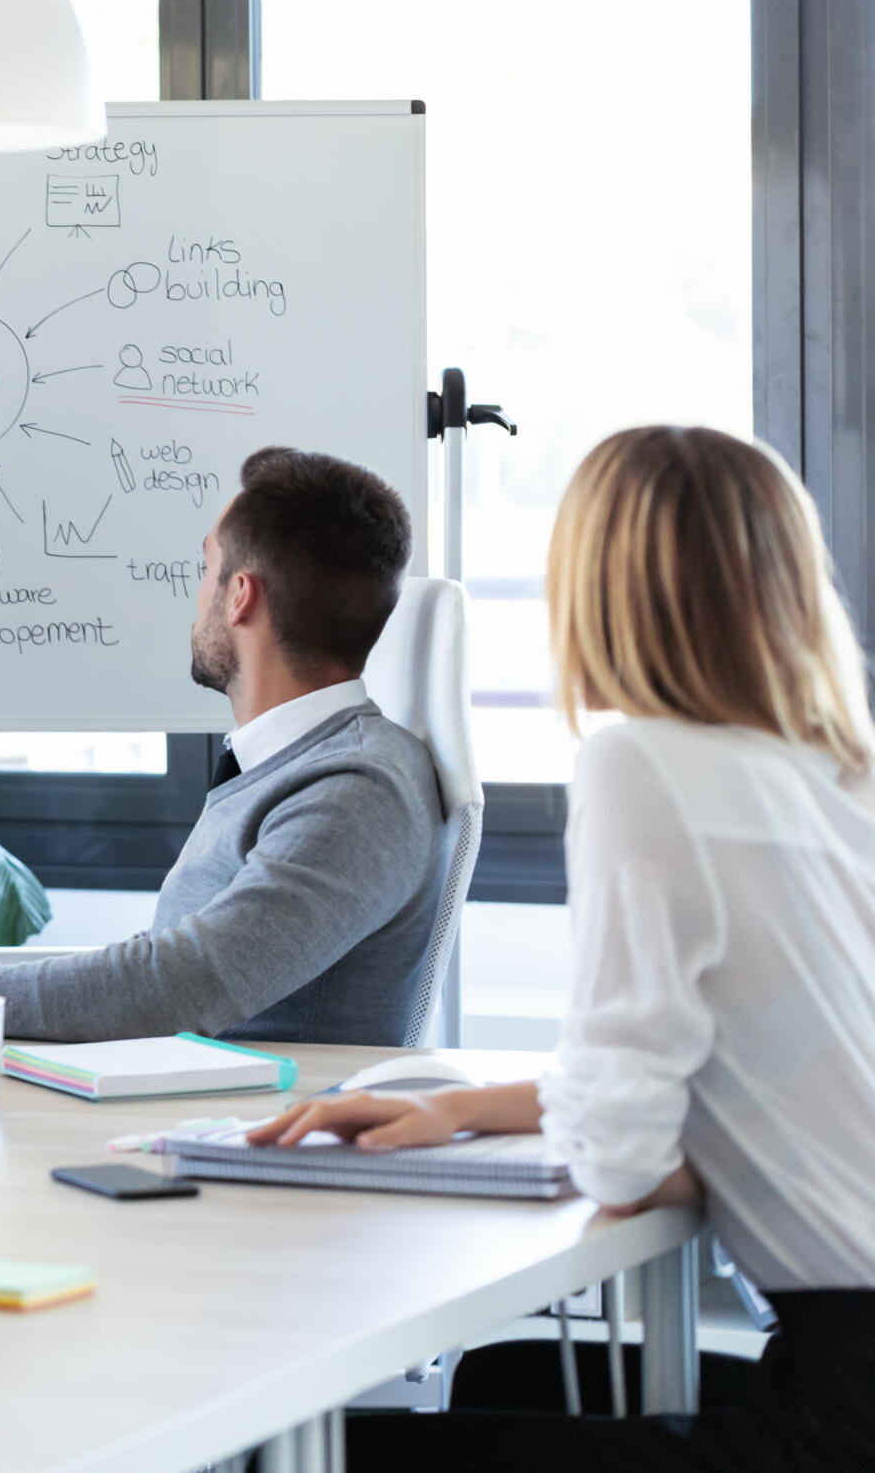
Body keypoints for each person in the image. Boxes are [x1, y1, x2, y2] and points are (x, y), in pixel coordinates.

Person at [254, 427, 875, 1470]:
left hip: (839, 1402)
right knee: (502, 1380)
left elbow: (621, 1156)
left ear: (598, 585)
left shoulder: (643, 764)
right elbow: (716, 1068)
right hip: (843, 1360)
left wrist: (621, 1137)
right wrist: (456, 1108)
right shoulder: (834, 775)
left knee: (340, 1454)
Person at [0, 446, 446, 1045]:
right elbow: (162, 968)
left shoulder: (358, 790)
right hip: (188, 1105)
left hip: (248, 1146)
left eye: (204, 567)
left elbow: (180, 981)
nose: (197, 598)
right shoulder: (299, 762)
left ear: (241, 596)